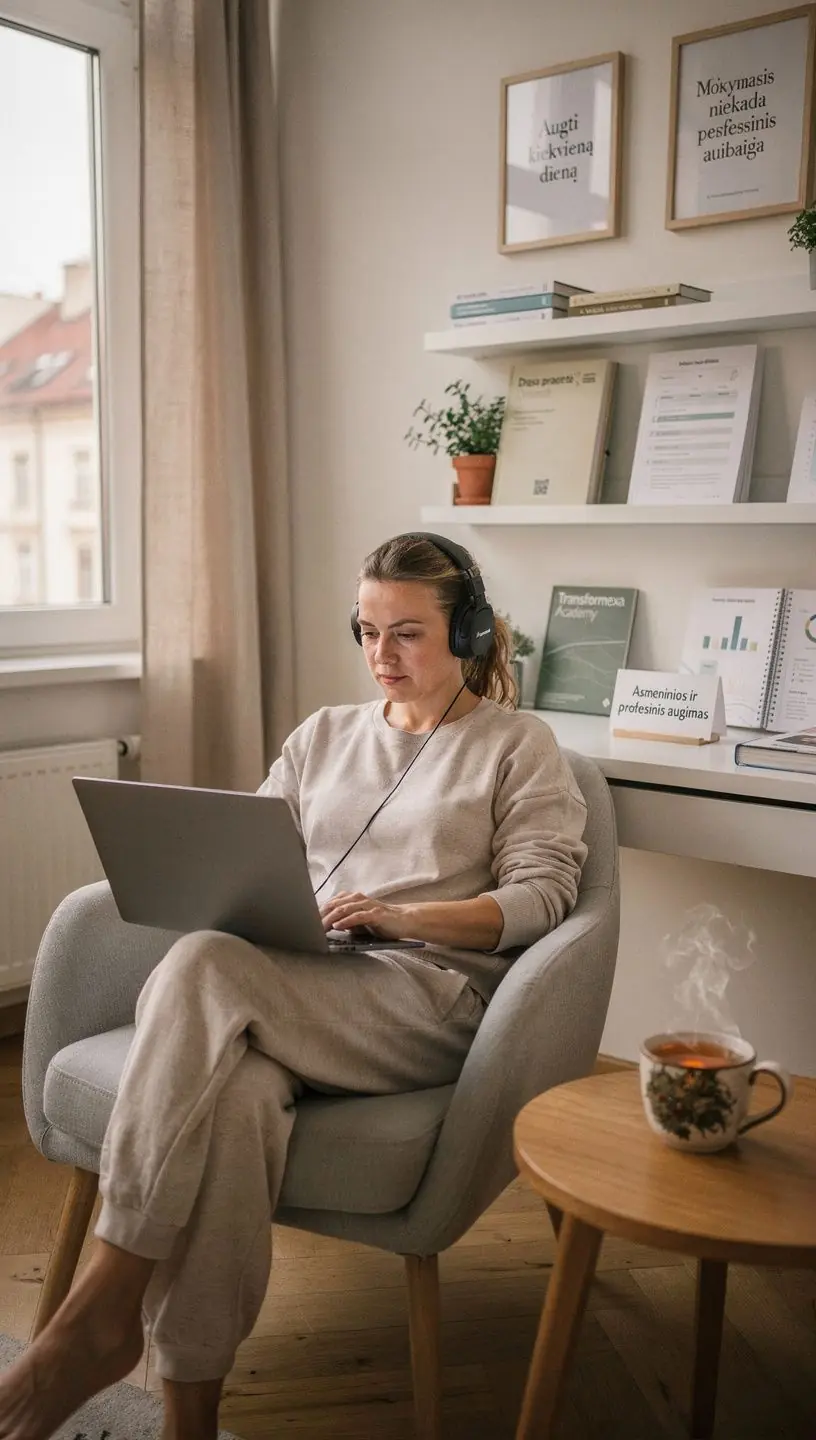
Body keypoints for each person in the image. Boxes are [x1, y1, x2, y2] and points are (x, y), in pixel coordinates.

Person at [0, 532, 587, 1440]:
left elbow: (544, 896)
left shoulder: (517, 745)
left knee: (200, 965)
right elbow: (253, 853)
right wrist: (246, 899)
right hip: (303, 983)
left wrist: (404, 918)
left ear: (469, 632)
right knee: (233, 1097)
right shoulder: (321, 735)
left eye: (408, 634)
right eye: (366, 631)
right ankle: (192, 1409)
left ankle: (100, 1309)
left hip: (423, 997)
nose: (380, 656)